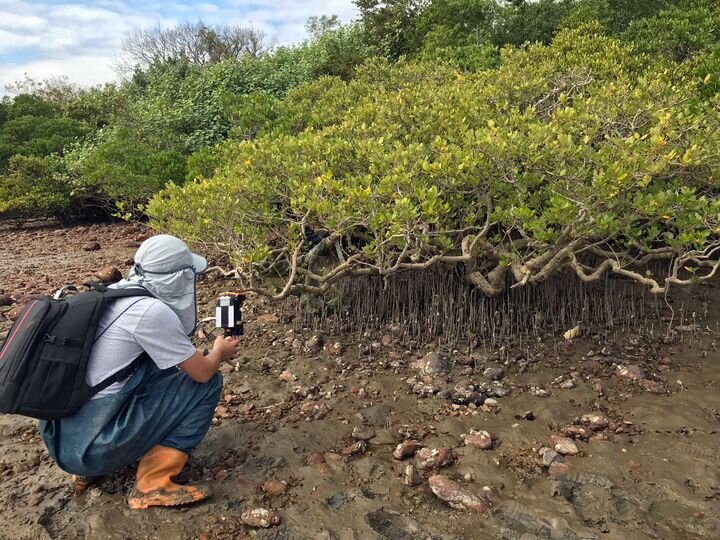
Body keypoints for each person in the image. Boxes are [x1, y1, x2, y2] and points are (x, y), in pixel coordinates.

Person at [39, 235, 239, 510]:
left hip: (61, 439)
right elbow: (202, 373)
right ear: (178, 277)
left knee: (161, 370)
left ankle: (86, 472)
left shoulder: (112, 294)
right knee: (207, 385)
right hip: (92, 448)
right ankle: (152, 483)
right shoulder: (151, 312)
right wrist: (218, 352)